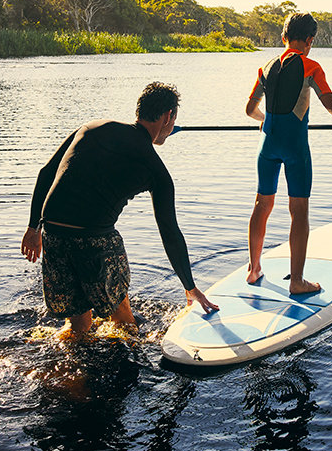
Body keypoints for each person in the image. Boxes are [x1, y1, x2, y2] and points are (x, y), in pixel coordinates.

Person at [22, 82, 218, 338]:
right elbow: (169, 232)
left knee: (79, 325)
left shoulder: (92, 127)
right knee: (123, 318)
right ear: (169, 116)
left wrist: (33, 227)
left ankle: (72, 367)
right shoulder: (155, 169)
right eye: (173, 120)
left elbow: (46, 173)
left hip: (53, 234)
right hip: (94, 240)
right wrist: (190, 287)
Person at [245, 12, 332, 294]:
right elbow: (329, 102)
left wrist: (264, 120)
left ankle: (253, 269)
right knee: (299, 211)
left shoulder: (266, 67)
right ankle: (296, 281)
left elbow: (249, 110)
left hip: (267, 146)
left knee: (262, 205)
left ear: (283, 38)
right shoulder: (311, 66)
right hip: (295, 147)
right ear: (309, 40)